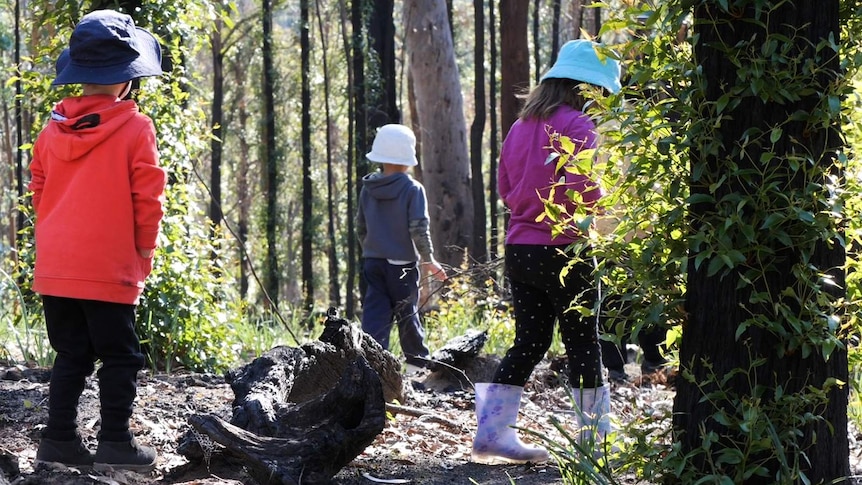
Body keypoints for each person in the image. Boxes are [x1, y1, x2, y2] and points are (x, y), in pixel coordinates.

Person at [29, 9, 167, 472]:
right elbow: (148, 200)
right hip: (108, 267)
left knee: (70, 353)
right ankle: (114, 441)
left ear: (81, 75)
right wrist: (144, 251)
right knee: (120, 356)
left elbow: (39, 190)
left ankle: (59, 440)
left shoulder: (51, 129)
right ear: (127, 80)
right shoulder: (135, 127)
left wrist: (54, 242)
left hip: (56, 265)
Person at [472, 39, 621, 464]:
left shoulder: (520, 128)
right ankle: (596, 444)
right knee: (582, 344)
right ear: (588, 88)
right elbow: (589, 191)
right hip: (566, 251)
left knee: (528, 342)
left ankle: (492, 436)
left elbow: (505, 188)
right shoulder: (579, 126)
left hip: (520, 249)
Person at [356, 124, 447, 372]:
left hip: (372, 262)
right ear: (408, 158)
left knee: (374, 314)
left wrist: (372, 248)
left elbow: (360, 227)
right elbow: (419, 227)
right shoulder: (412, 189)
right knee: (407, 312)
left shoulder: (368, 189)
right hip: (403, 266)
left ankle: (370, 365)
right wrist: (428, 259)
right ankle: (416, 366)